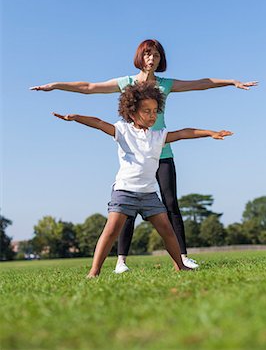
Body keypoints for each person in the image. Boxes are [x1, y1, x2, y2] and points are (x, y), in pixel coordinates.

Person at [31, 39, 257, 272]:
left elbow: (201, 83)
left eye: (156, 55)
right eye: (148, 54)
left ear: (161, 60)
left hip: (161, 148)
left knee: (171, 204)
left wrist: (231, 82)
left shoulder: (165, 85)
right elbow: (88, 87)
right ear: (140, 57)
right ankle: (121, 261)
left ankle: (182, 258)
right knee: (126, 208)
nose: (151, 59)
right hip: (136, 151)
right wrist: (56, 85)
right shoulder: (126, 83)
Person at [52, 82, 233, 277]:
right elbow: (98, 123)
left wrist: (210, 133)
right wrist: (76, 117)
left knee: (167, 230)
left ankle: (180, 266)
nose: (152, 115)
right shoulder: (123, 130)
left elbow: (183, 133)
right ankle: (94, 271)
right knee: (111, 231)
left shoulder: (158, 136)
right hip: (124, 191)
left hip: (148, 194)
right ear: (131, 112)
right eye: (147, 111)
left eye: (155, 111)